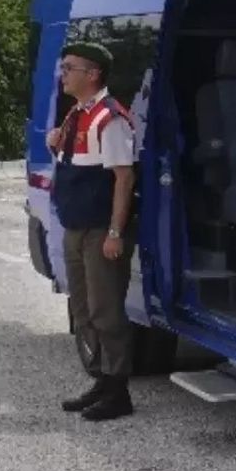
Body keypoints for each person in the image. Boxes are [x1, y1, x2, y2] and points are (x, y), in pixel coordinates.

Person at [47, 41, 138, 422]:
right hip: (75, 225)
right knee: (83, 309)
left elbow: (123, 178)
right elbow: (74, 167)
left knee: (106, 311)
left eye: (70, 68)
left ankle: (118, 391)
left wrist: (115, 232)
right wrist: (53, 146)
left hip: (100, 229)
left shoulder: (110, 118)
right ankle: (101, 380)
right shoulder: (76, 113)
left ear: (93, 74)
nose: (63, 74)